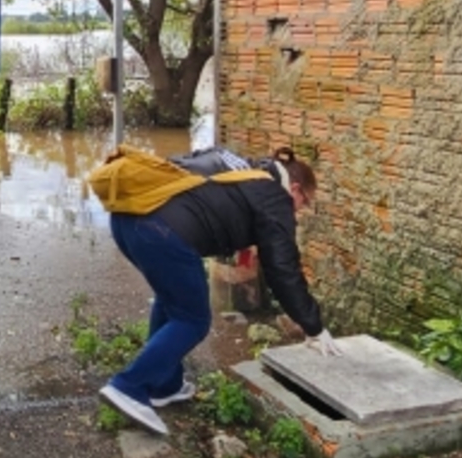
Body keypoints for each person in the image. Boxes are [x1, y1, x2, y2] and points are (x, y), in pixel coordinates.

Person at [99, 146, 333, 436]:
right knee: (192, 319)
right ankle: (130, 387)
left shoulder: (241, 165)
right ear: (295, 188)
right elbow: (282, 268)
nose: (299, 210)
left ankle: (165, 385)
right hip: (161, 232)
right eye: (304, 202)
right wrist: (313, 326)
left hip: (128, 218)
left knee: (173, 300)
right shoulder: (274, 196)